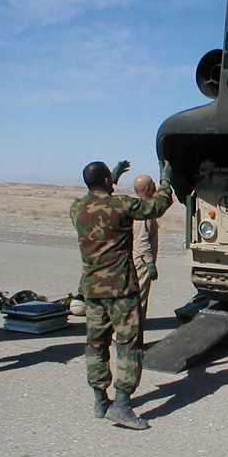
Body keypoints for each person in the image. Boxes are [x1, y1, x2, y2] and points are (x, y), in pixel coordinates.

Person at [70, 160, 173, 430]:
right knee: (128, 345)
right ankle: (123, 405)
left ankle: (100, 401)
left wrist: (109, 178)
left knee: (96, 344)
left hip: (92, 290)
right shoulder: (122, 205)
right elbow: (158, 206)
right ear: (107, 181)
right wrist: (165, 180)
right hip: (121, 290)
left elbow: (97, 198)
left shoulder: (77, 208)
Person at [131, 174, 159, 322]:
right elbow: (142, 240)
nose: (156, 186)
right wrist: (150, 263)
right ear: (148, 189)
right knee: (139, 300)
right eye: (153, 184)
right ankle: (132, 339)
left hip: (138, 258)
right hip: (141, 261)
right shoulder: (143, 211)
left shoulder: (137, 206)